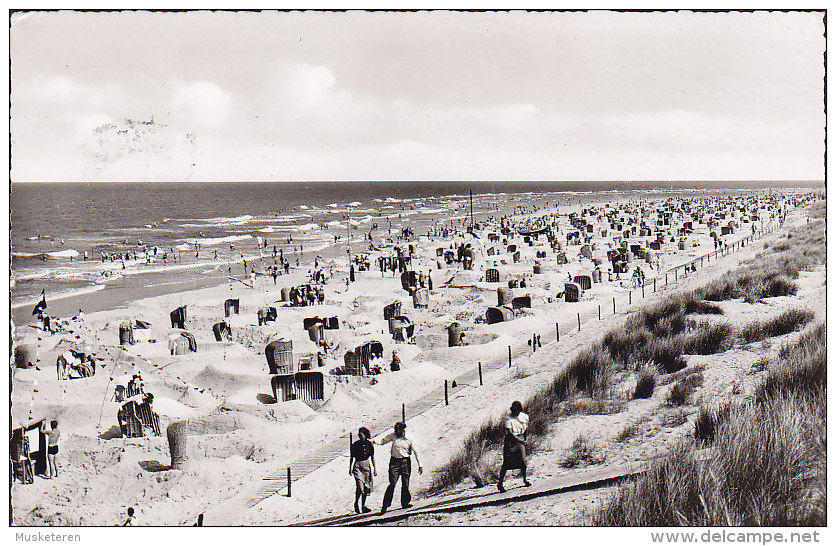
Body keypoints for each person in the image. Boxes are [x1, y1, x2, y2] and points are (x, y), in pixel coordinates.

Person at [375, 422, 422, 514]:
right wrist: (374, 441)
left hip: (405, 462)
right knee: (392, 483)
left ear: (403, 430)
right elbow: (383, 440)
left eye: (398, 430)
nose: (396, 432)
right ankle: (385, 505)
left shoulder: (410, 438)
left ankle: (405, 503)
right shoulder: (393, 435)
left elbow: (416, 451)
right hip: (394, 462)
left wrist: (420, 465)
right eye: (395, 430)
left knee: (405, 483)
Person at [497, 401, 530, 493]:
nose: (516, 412)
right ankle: (500, 483)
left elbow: (526, 428)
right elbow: (510, 432)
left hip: (520, 438)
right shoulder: (508, 418)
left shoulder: (524, 417)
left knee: (523, 460)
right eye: (514, 410)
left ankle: (524, 480)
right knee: (507, 463)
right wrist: (520, 440)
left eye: (517, 410)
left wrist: (524, 438)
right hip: (511, 441)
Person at [349, 427, 377, 514]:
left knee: (366, 487)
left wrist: (375, 468)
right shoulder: (355, 444)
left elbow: (372, 457)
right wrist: (350, 468)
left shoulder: (369, 444)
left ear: (365, 435)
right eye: (359, 435)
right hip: (357, 465)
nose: (360, 437)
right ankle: (356, 502)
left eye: (361, 435)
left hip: (366, 465)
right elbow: (352, 457)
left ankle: (363, 506)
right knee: (360, 487)